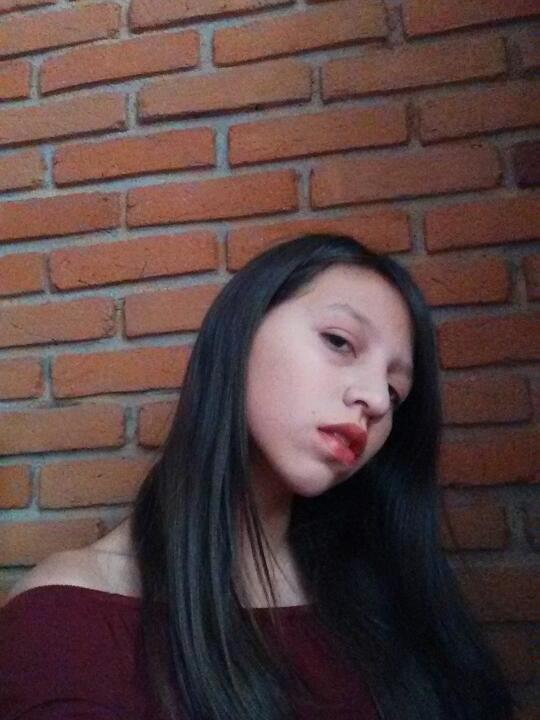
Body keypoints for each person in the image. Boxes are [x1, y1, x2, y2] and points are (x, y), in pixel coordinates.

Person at [0, 234, 516, 719]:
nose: (377, 400)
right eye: (339, 341)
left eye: (395, 390)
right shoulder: (65, 619)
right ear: (240, 333)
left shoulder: (389, 600)